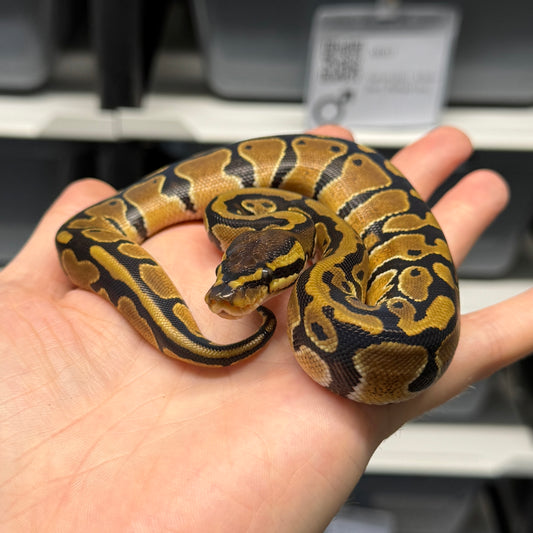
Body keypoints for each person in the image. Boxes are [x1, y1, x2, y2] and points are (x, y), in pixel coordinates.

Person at [1, 125, 531, 532]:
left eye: (254, 285)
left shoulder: (324, 261)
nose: (226, 298)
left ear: (303, 260)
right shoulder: (246, 222)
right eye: (229, 279)